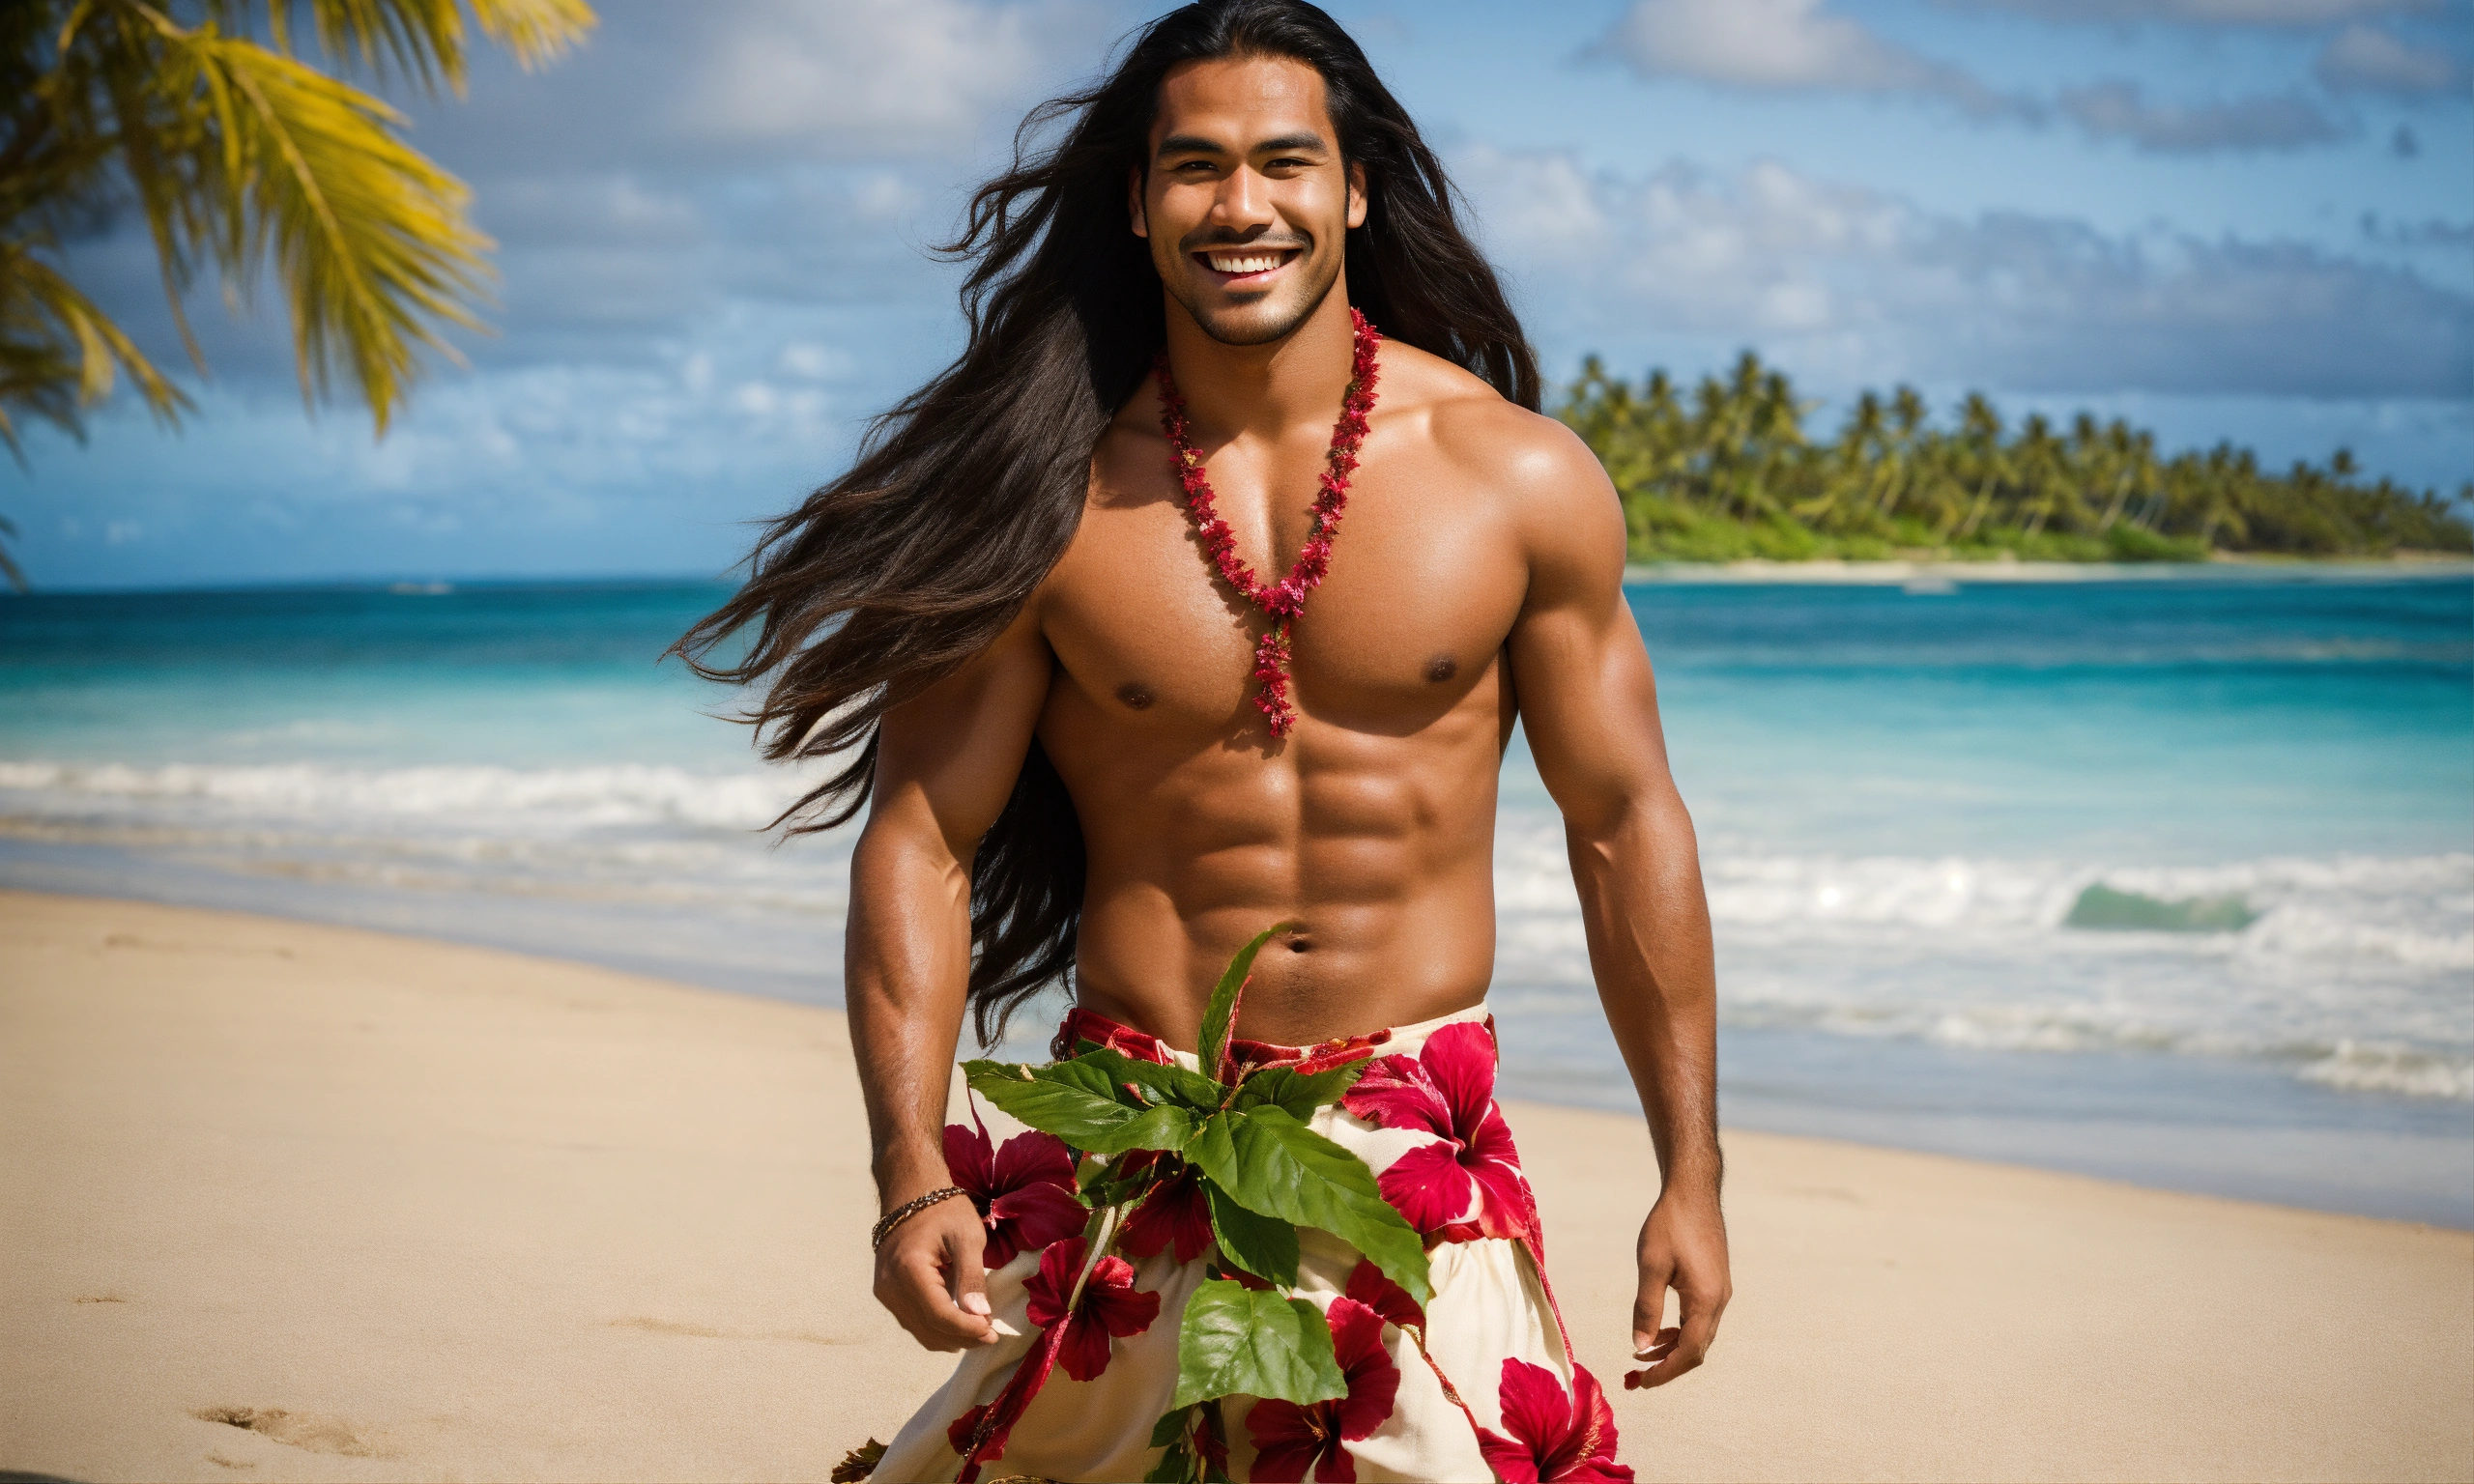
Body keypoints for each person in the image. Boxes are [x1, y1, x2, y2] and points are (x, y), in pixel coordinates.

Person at [677, 3, 1727, 1478]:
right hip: (1134, 1139)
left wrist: (1693, 1170)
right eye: (1196, 166)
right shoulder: (1045, 501)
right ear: (1137, 198)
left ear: (1354, 189)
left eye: (1284, 163)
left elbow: (1625, 821)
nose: (1242, 206)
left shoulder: (1516, 481)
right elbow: (921, 833)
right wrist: (910, 1171)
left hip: (1417, 1149)